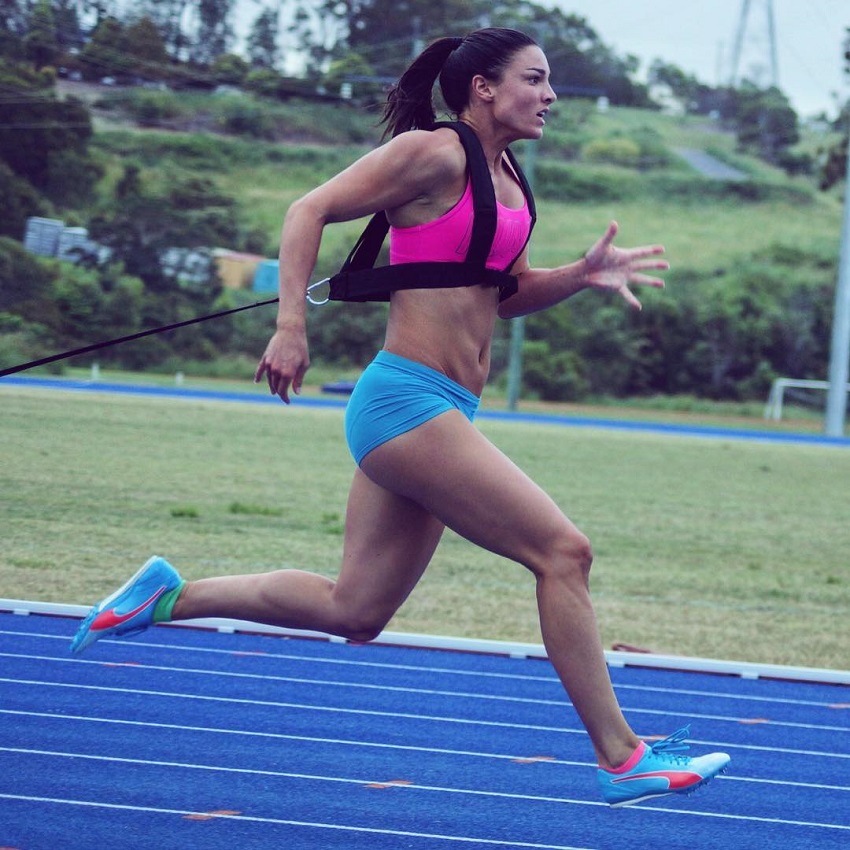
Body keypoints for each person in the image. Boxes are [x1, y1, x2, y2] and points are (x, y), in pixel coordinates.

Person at [70, 28, 730, 807]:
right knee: (563, 552)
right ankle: (623, 757)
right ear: (483, 87)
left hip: (446, 406)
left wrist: (581, 275)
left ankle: (170, 596)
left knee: (358, 611)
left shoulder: (510, 177)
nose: (550, 95)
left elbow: (505, 294)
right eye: (535, 79)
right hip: (404, 401)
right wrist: (290, 324)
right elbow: (307, 209)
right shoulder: (435, 153)